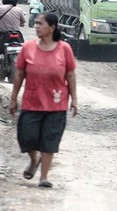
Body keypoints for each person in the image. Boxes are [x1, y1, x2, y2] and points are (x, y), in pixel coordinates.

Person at [8, 12, 78, 188]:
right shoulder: (28, 48)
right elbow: (19, 74)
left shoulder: (64, 49)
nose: (36, 26)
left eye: (41, 23)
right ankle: (34, 159)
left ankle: (44, 177)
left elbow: (70, 75)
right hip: (32, 101)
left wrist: (74, 100)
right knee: (26, 137)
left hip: (57, 103)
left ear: (52, 28)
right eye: (36, 23)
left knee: (50, 140)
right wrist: (13, 98)